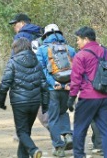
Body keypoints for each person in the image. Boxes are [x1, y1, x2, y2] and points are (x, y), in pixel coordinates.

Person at [0, 38, 49, 158]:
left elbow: (5, 83)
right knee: (26, 131)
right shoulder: (37, 61)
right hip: (35, 101)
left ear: (16, 48)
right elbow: (44, 84)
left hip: (19, 102)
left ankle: (33, 150)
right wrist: (45, 104)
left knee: (21, 132)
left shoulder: (13, 62)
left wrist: (1, 100)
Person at [67, 26, 107, 158]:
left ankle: (79, 155)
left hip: (88, 97)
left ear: (86, 39)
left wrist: (71, 97)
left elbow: (75, 79)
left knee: (80, 128)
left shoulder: (81, 55)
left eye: (78, 40)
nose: (77, 43)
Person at [36, 24, 75, 157]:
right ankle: (68, 135)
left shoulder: (41, 50)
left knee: (52, 118)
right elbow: (76, 70)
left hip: (52, 89)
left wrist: (53, 83)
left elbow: (41, 71)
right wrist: (69, 84)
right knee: (63, 112)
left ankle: (58, 147)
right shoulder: (70, 49)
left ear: (45, 36)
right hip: (67, 87)